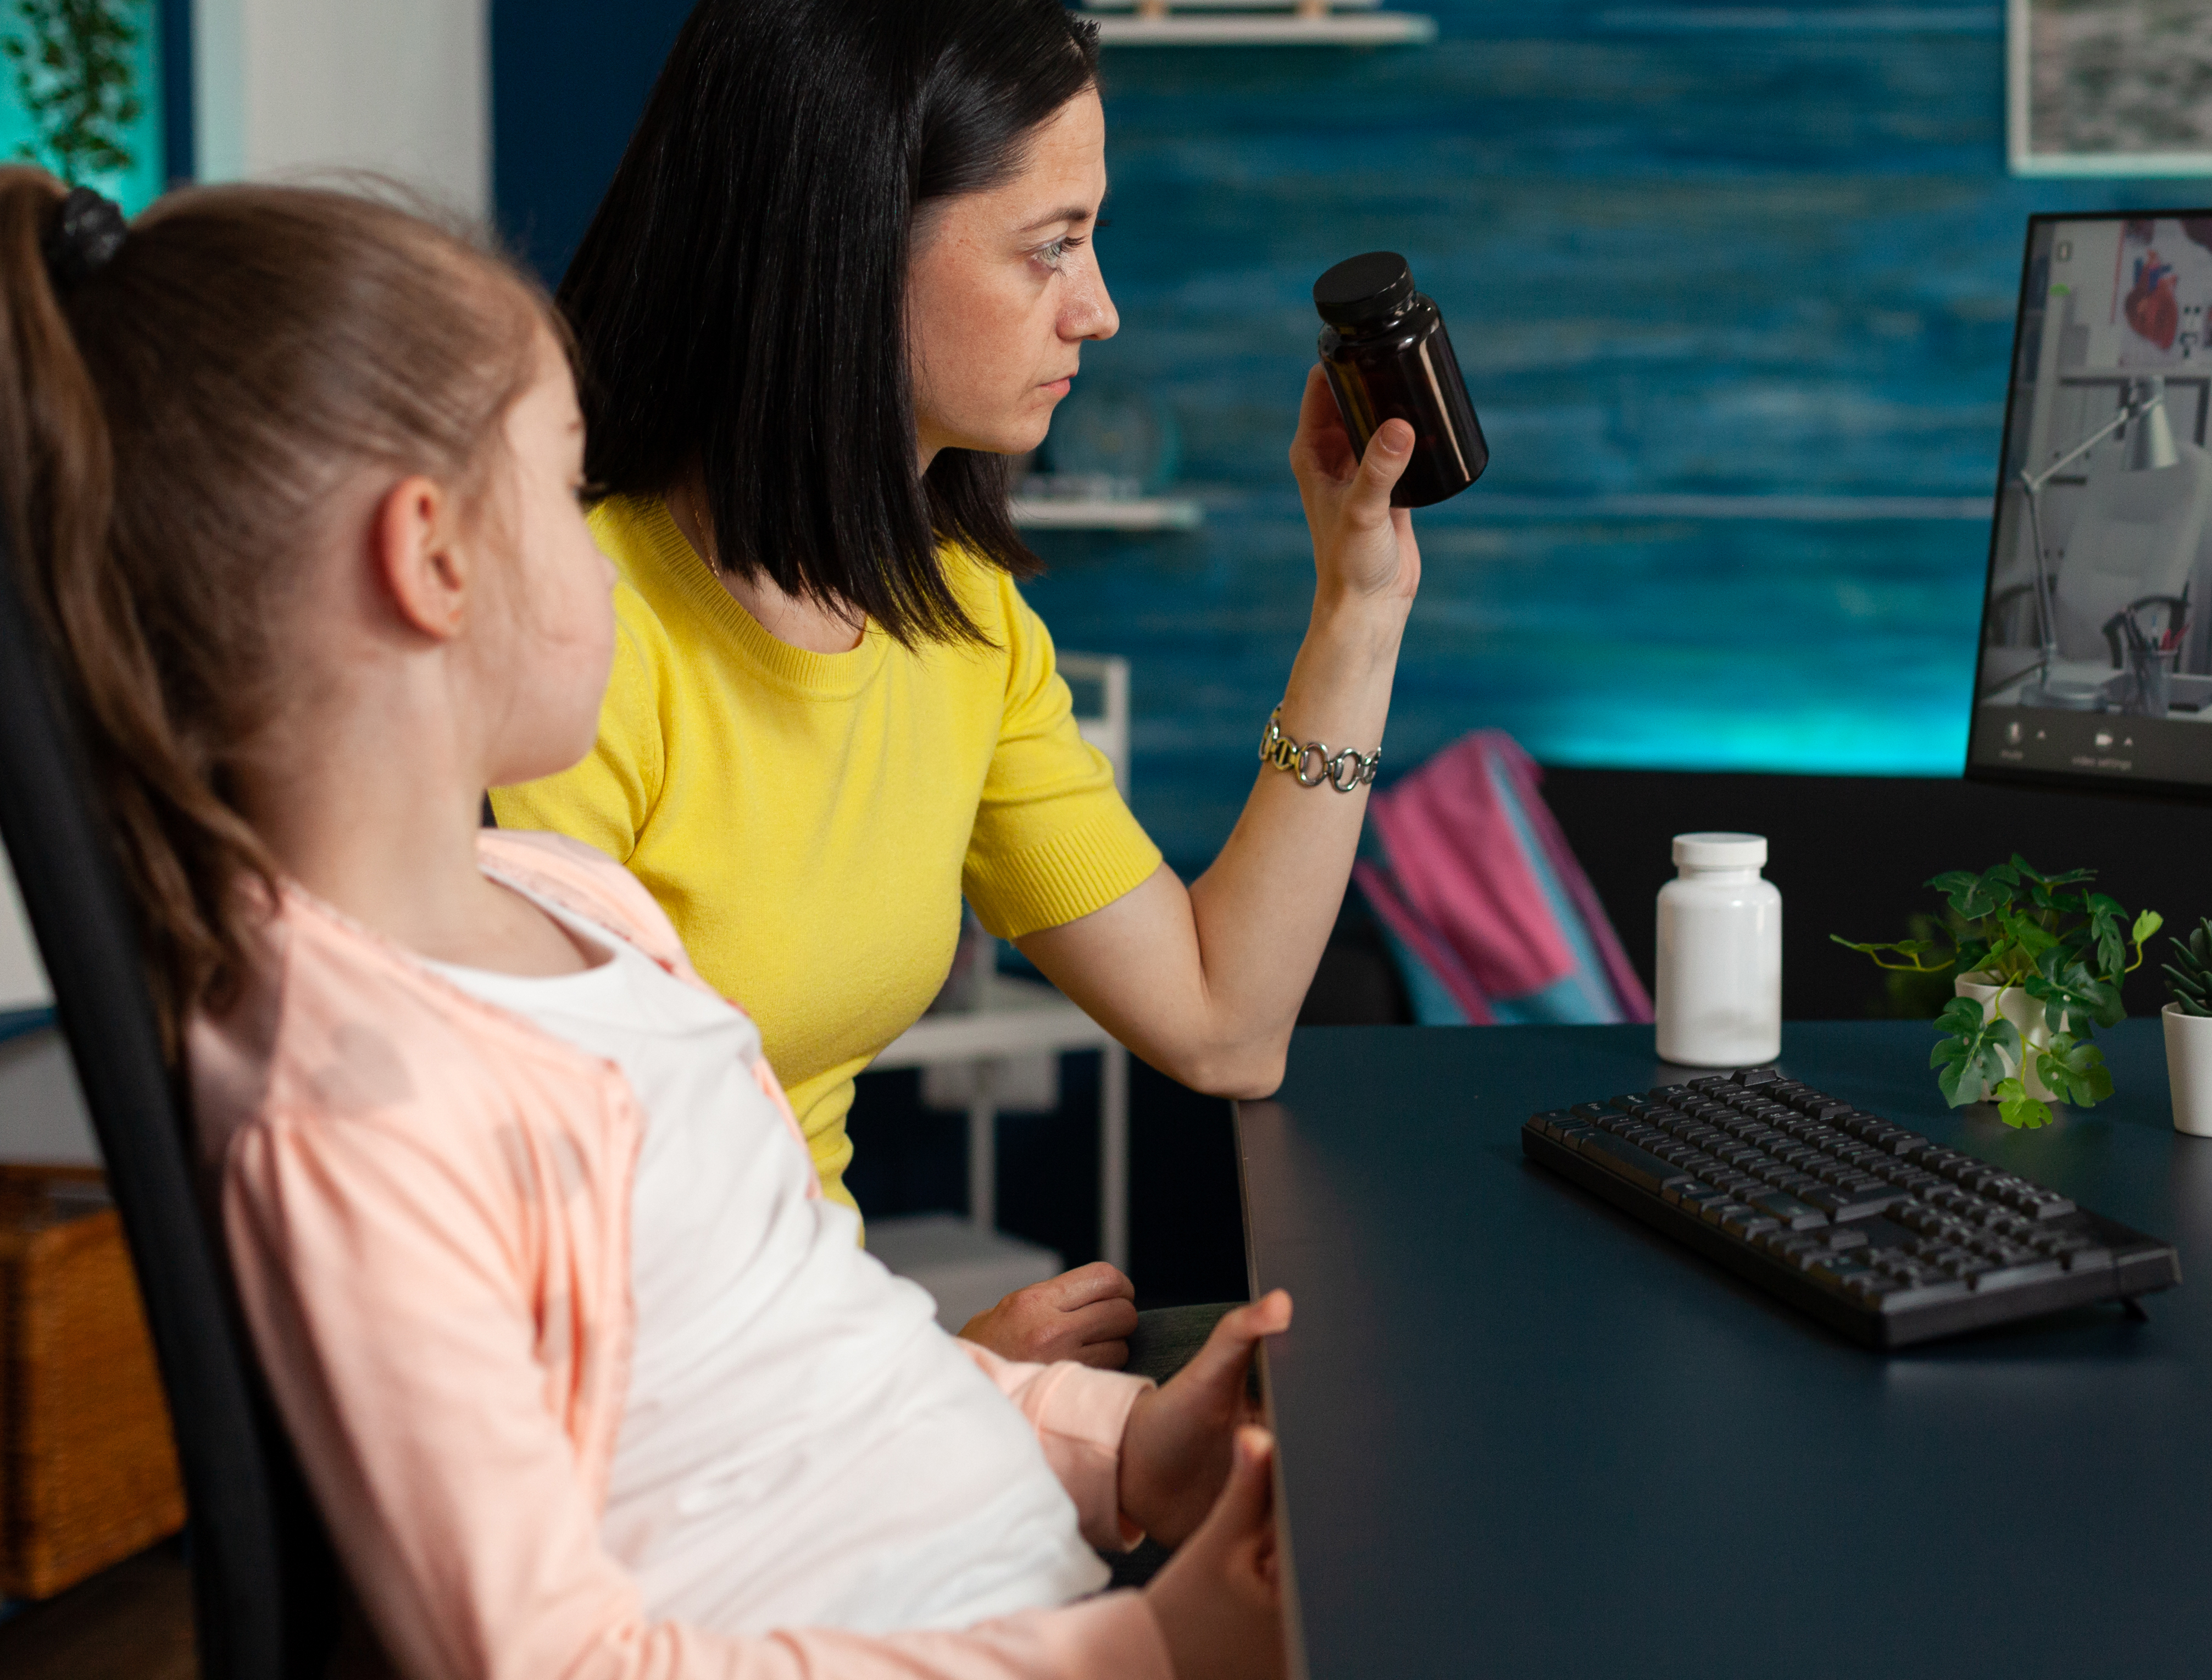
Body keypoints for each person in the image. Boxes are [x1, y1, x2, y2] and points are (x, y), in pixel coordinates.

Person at [0, 168, 1292, 1678]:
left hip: (1042, 1588)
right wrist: (1145, 1650)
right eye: (563, 484)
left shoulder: (572, 908)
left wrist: (1124, 1450)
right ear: (431, 558)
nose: (608, 547)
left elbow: (794, 1355)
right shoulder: (364, 1114)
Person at [491, 0, 1420, 1373]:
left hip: (812, 1374)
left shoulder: (962, 625)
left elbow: (1224, 1024)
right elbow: (538, 1224)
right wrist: (944, 1386)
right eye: (1049, 250)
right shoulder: (570, 633)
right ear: (848, 245)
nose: (1099, 312)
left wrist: (1358, 613)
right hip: (653, 1413)